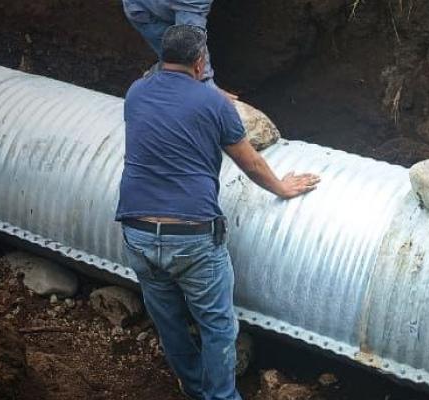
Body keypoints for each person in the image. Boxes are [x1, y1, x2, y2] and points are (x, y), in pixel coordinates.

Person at [115, 25, 320, 400]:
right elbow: (250, 163)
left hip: (137, 230)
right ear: (200, 61)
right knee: (218, 326)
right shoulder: (214, 105)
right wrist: (283, 187)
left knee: (170, 323)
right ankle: (221, 397)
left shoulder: (136, 94)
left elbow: (159, 89)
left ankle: (194, 389)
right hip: (192, 236)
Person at [121, 0, 235, 99]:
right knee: (180, 63)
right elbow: (188, 40)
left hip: (141, 7)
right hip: (144, 12)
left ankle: (155, 85)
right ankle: (157, 91)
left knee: (173, 61)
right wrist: (206, 85)